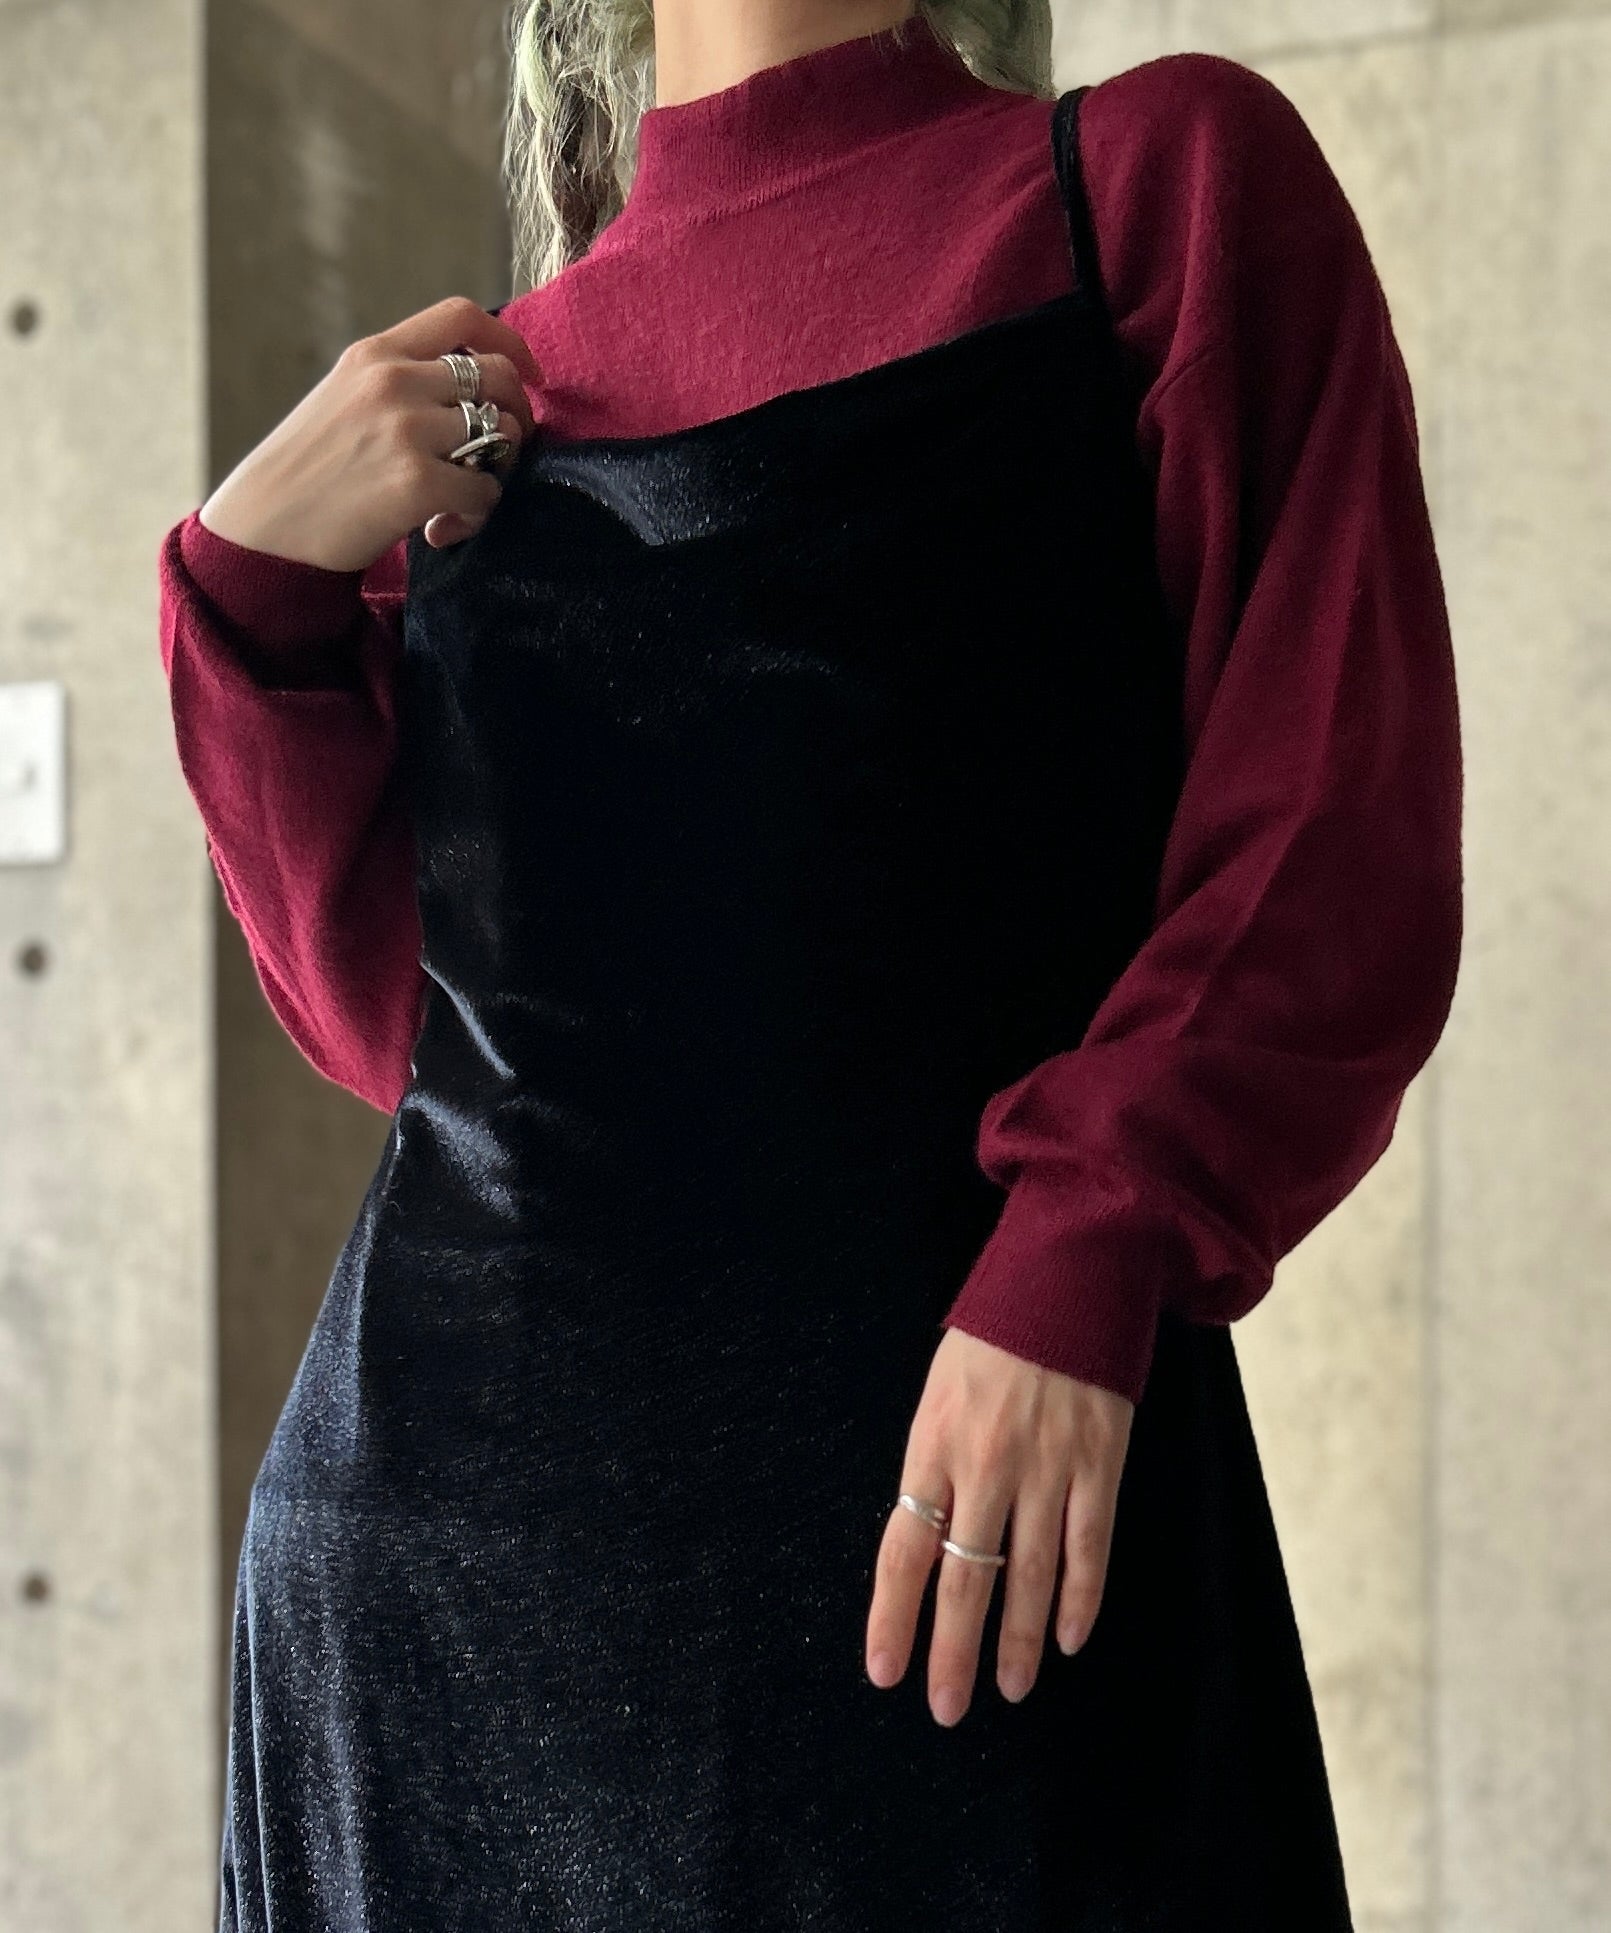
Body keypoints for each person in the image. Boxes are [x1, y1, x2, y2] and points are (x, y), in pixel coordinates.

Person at [155, 0, 1463, 1925]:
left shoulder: (1148, 192)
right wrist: (245, 599)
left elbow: (1331, 842)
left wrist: (1091, 1245)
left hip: (970, 1583)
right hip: (435, 1629)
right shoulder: (486, 407)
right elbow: (424, 1047)